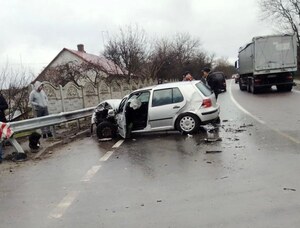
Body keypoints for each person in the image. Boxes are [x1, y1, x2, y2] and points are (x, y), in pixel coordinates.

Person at [0, 93, 8, 163]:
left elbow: (6, 106)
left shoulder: (1, 97)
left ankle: (2, 155)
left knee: (3, 135)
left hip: (1, 119)